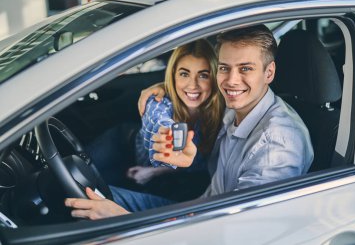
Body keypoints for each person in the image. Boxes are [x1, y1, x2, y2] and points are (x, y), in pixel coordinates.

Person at [65, 24, 314, 219]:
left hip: (203, 229)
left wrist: (125, 220)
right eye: (224, 68)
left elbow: (238, 233)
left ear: (268, 72)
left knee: (91, 209)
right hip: (195, 210)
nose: (231, 81)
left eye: (245, 68)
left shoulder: (276, 146)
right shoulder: (235, 107)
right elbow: (198, 93)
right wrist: (164, 87)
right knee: (83, 195)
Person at [127, 39, 224, 200]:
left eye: (203, 75)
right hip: (125, 141)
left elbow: (198, 163)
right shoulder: (157, 103)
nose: (193, 85)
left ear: (214, 78)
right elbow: (161, 126)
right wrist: (169, 138)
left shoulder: (220, 110)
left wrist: (154, 172)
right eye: (184, 74)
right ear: (173, 76)